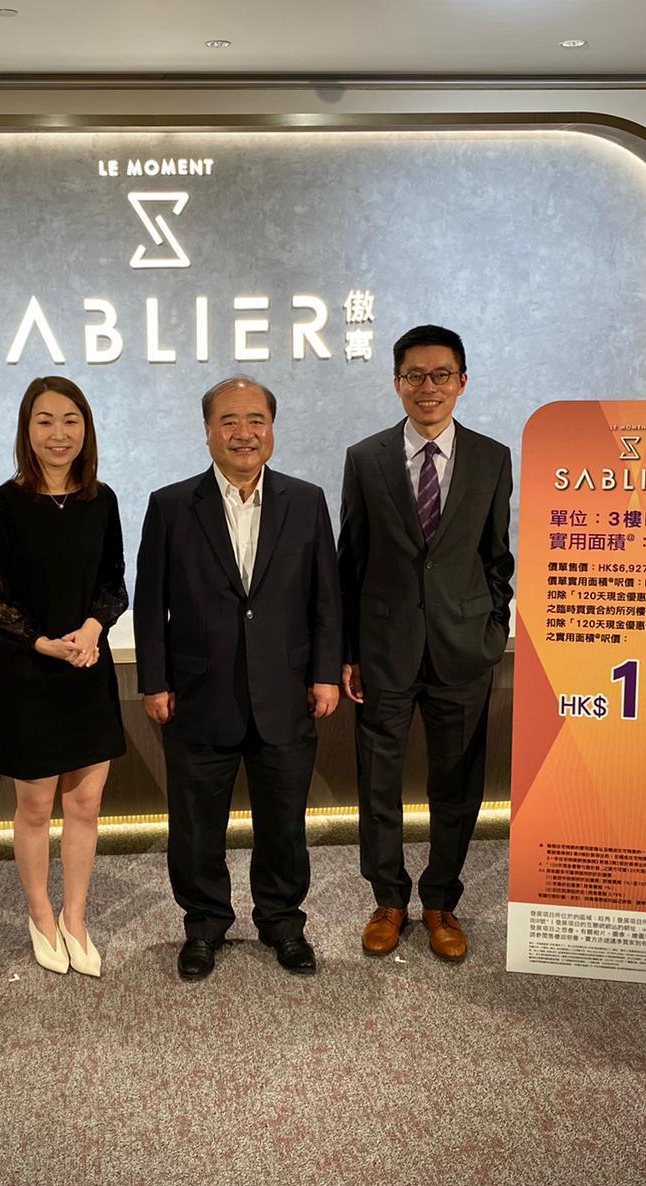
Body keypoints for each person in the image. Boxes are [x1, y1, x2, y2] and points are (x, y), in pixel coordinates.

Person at [135, 375, 341, 980]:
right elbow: (150, 604)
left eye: (256, 420)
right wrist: (154, 680)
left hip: (286, 691)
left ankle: (282, 922)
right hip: (198, 695)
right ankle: (203, 925)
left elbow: (326, 599)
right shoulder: (171, 505)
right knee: (197, 825)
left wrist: (325, 674)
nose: (243, 433)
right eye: (228, 421)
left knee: (285, 824)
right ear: (207, 431)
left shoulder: (306, 500)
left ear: (272, 429)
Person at [337, 324, 514, 962]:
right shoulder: (366, 458)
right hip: (384, 650)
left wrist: (492, 628)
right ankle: (388, 898)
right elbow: (350, 560)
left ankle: (441, 900)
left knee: (457, 786)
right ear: (397, 383)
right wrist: (348, 651)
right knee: (377, 782)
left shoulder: (493, 458)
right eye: (414, 375)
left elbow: (497, 556)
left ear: (462, 382)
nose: (428, 387)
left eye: (441, 375)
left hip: (463, 650)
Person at [0, 376, 127, 977]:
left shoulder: (102, 500)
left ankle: (75, 917)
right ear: (26, 430)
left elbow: (113, 582)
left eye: (70, 420)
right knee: (35, 807)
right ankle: (40, 914)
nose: (58, 434)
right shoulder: (1, 505)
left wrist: (91, 629)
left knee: (86, 803)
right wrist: (41, 641)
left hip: (87, 666)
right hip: (30, 671)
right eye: (45, 421)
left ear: (86, 428)